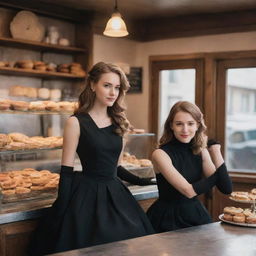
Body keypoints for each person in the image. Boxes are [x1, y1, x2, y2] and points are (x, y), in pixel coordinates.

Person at [28, 62, 154, 255]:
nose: (113, 92)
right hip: (86, 194)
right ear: (93, 85)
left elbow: (117, 167)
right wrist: (61, 208)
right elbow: (67, 171)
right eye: (107, 85)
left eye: (117, 87)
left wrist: (144, 181)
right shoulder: (76, 122)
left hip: (116, 194)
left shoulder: (119, 123)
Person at [147, 101, 232, 232]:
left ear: (198, 125)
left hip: (196, 214)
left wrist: (216, 152)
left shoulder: (200, 151)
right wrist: (218, 173)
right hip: (167, 218)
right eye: (179, 124)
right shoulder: (160, 154)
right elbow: (188, 191)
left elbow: (226, 188)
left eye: (190, 123)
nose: (185, 130)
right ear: (171, 126)